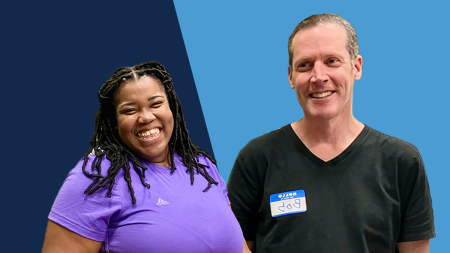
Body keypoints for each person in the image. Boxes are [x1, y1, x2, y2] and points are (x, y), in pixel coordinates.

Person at [227, 14, 435, 253]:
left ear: (356, 67)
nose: (318, 76)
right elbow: (234, 246)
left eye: (332, 61)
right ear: (290, 76)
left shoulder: (402, 161)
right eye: (304, 65)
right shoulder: (256, 158)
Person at [42, 61, 247, 253]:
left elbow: (240, 246)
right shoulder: (98, 177)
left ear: (172, 108)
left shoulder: (201, 166)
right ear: (114, 121)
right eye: (130, 110)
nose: (146, 117)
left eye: (156, 104)